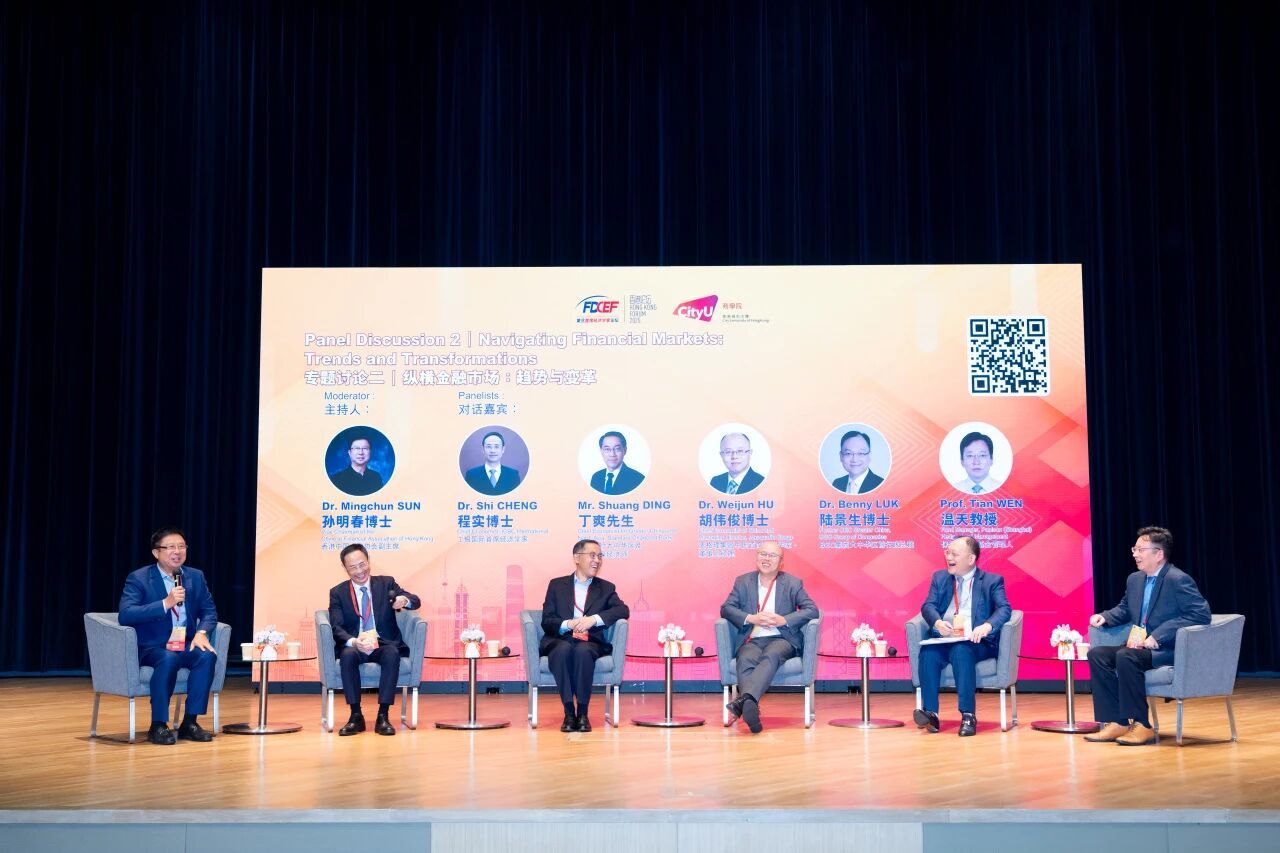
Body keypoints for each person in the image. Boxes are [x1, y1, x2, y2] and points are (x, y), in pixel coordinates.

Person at [1084, 526, 1210, 746]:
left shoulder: (1177, 579)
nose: (1135, 554)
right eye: (1134, 549)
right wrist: (1104, 617)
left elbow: (1200, 614)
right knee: (1098, 654)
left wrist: (1159, 635)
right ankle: (1117, 722)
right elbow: (1125, 608)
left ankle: (1142, 725)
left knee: (1126, 656)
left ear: (1159, 554)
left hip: (1166, 649)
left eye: (1141, 550)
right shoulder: (1135, 579)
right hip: (1138, 646)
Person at [117, 527, 219, 745]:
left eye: (181, 546)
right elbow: (126, 615)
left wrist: (202, 633)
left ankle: (190, 723)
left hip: (183, 642)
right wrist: (165, 603)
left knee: (206, 655)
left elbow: (209, 612)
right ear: (156, 552)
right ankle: (158, 725)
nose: (177, 552)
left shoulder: (195, 576)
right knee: (168, 658)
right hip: (152, 646)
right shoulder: (139, 578)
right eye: (171, 547)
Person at [913, 536, 1011, 737]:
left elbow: (1004, 609)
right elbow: (928, 606)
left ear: (971, 559)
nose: (949, 557)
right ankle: (931, 714)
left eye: (954, 554)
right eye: (947, 553)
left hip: (976, 641)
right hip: (947, 637)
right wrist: (938, 623)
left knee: (961, 650)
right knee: (928, 653)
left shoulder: (991, 581)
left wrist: (987, 625)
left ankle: (968, 715)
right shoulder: (940, 578)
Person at [720, 541, 819, 733]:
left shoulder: (792, 583)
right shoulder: (743, 581)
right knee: (745, 658)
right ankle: (750, 706)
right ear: (757, 556)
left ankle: (744, 702)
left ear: (781, 562)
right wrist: (751, 618)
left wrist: (784, 620)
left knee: (772, 654)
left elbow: (812, 610)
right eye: (763, 554)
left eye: (772, 555)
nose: (766, 559)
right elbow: (726, 608)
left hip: (782, 639)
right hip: (753, 639)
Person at [327, 543, 421, 736]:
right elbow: (336, 627)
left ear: (368, 561)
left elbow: (415, 600)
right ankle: (356, 716)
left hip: (383, 643)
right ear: (345, 568)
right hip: (357, 643)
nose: (359, 571)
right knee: (347, 655)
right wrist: (354, 642)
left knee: (392, 653)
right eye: (353, 567)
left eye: (362, 564)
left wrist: (403, 600)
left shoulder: (386, 583)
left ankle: (383, 716)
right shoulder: (338, 592)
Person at [539, 539, 630, 732]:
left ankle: (582, 713)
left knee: (583, 651)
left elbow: (623, 610)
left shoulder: (606, 588)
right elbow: (547, 620)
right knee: (562, 650)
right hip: (560, 639)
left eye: (600, 556)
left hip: (589, 641)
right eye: (592, 555)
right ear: (577, 558)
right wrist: (568, 624)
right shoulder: (556, 585)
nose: (597, 560)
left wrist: (593, 620)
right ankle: (568, 712)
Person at [463, 431, 521, 495]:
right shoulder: (471, 475)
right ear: (483, 449)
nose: (493, 451)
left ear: (503, 449)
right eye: (488, 446)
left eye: (496, 447)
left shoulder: (513, 475)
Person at [589, 431, 645, 495]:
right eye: (607, 449)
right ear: (601, 451)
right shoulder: (596, 477)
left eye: (617, 449)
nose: (612, 454)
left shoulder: (638, 479)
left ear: (625, 450)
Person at [830, 430, 885, 494]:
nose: (855, 459)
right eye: (848, 453)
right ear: (841, 456)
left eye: (861, 453)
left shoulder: (881, 485)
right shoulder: (837, 484)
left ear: (869, 455)